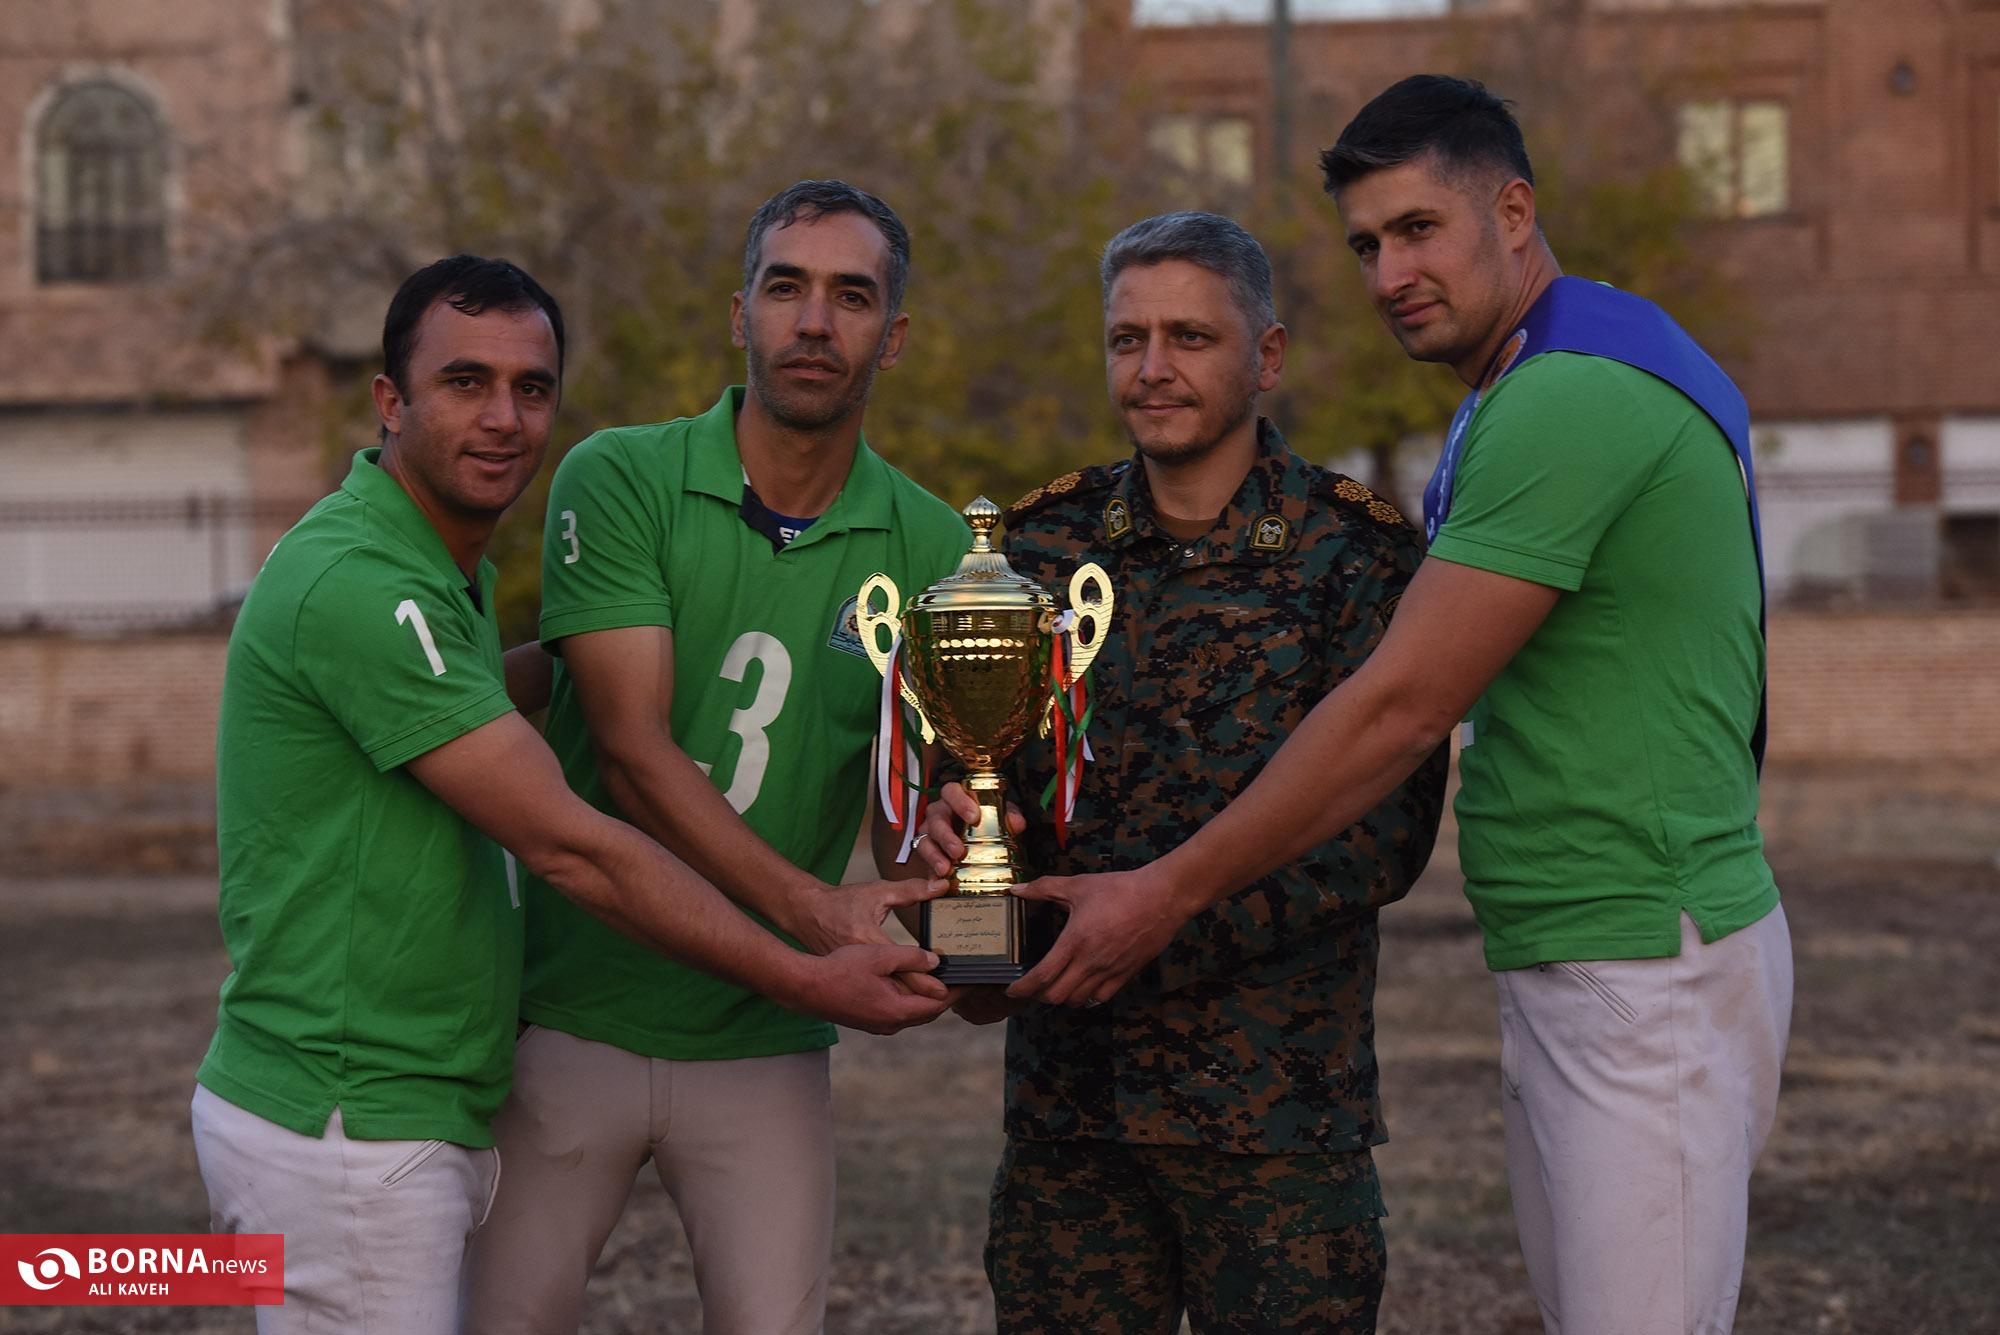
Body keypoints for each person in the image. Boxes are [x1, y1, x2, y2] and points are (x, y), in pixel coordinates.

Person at [1006, 78, 1794, 1335]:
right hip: (1591, 941)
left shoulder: (1570, 392)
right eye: (1366, 244)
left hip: (1642, 949)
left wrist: (1165, 891)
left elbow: (1400, 710)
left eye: (1418, 228)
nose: (1388, 274)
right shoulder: (1561, 368)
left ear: (1513, 212)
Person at [191, 255, 947, 1335]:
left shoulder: (438, 569)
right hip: (343, 1114)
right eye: (464, 383)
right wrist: (806, 963)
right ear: (390, 401)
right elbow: (571, 847)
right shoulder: (364, 579)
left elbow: (474, 696)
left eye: (531, 388)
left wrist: (620, 628)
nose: (503, 418)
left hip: (403, 1100)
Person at [914, 211, 1446, 1333]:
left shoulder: (1356, 556)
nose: (1152, 368)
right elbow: (973, 775)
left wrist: (1150, 922)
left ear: (1267, 356)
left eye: (1190, 338)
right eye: (1128, 339)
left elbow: (1379, 836)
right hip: (1070, 1118)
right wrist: (960, 853)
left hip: (1276, 1121)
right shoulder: (1034, 551)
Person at [462, 181, 971, 1335]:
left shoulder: (934, 543)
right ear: (738, 313)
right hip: (571, 1010)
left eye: (850, 297)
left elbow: (898, 817)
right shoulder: (621, 475)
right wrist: (817, 917)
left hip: (764, 1043)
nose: (813, 322)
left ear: (892, 336)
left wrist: (945, 866)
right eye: (785, 287)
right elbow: (632, 755)